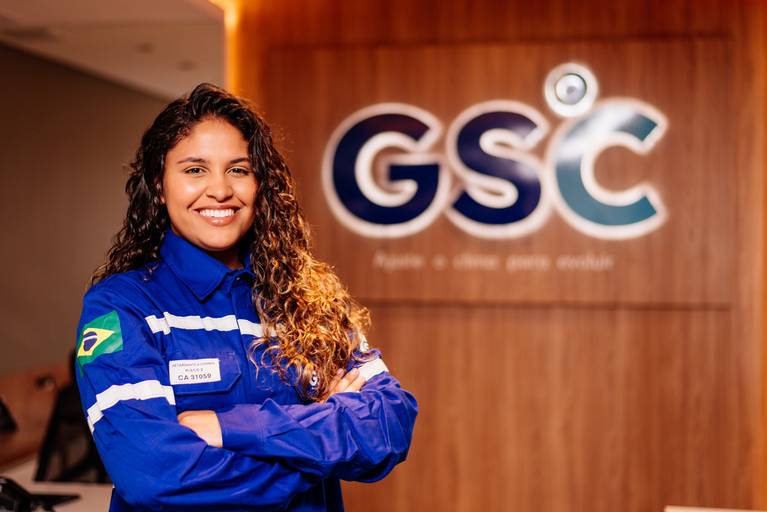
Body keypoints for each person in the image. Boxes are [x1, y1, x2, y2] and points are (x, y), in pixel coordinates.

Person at [74, 83, 418, 511]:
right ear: (159, 186)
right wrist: (323, 447)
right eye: (194, 170)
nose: (220, 190)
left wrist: (235, 427)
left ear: (260, 184)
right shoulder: (123, 307)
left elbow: (389, 425)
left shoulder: (310, 302)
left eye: (238, 169)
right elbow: (155, 474)